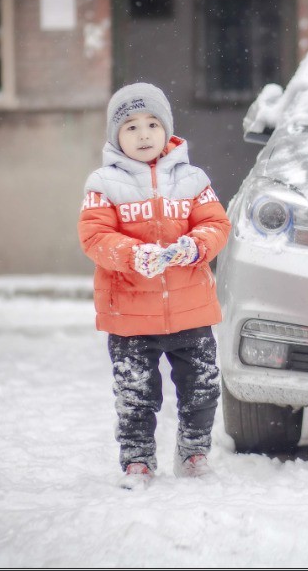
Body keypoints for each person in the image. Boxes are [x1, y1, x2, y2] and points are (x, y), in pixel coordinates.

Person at [78, 82, 231, 488]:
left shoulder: (192, 178)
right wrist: (132, 254)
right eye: (130, 126)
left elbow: (216, 224)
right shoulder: (103, 184)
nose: (143, 134)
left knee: (202, 390)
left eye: (152, 124)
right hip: (130, 317)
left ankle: (193, 452)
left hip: (191, 312)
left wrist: (196, 246)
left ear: (167, 129)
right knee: (136, 396)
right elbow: (94, 236)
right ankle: (138, 460)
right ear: (116, 135)